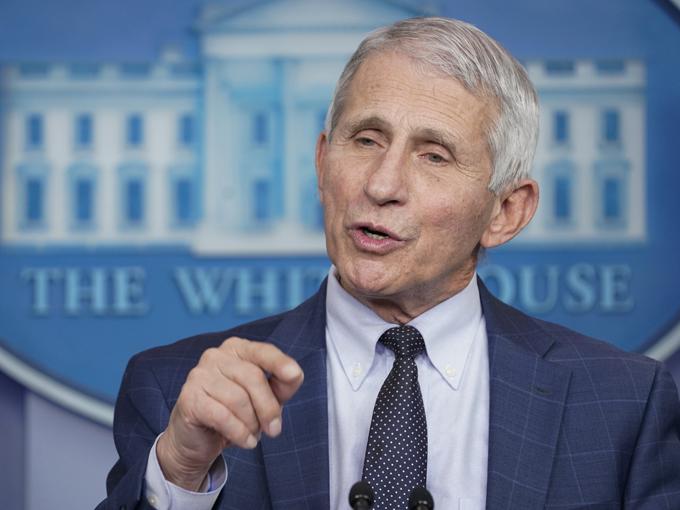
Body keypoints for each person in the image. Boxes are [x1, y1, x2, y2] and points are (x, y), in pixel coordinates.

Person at [97, 17, 680, 510]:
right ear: (324, 163)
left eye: (434, 155)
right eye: (367, 140)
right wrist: (179, 470)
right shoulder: (174, 390)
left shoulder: (626, 404)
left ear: (505, 211)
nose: (382, 184)